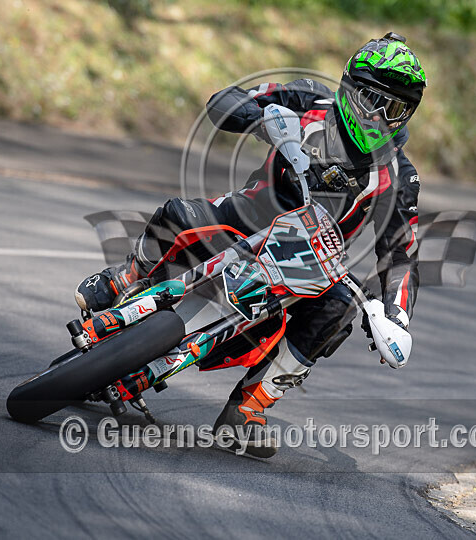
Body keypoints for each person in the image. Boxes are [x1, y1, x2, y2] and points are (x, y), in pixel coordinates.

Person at [75, 32, 427, 455]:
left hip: (308, 263)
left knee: (341, 308)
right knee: (179, 214)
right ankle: (127, 277)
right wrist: (258, 117)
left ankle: (248, 408)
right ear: (351, 89)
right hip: (244, 217)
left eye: (398, 109)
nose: (384, 118)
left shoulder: (399, 176)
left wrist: (396, 318)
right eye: (376, 102)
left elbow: (400, 252)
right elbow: (225, 99)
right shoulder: (309, 98)